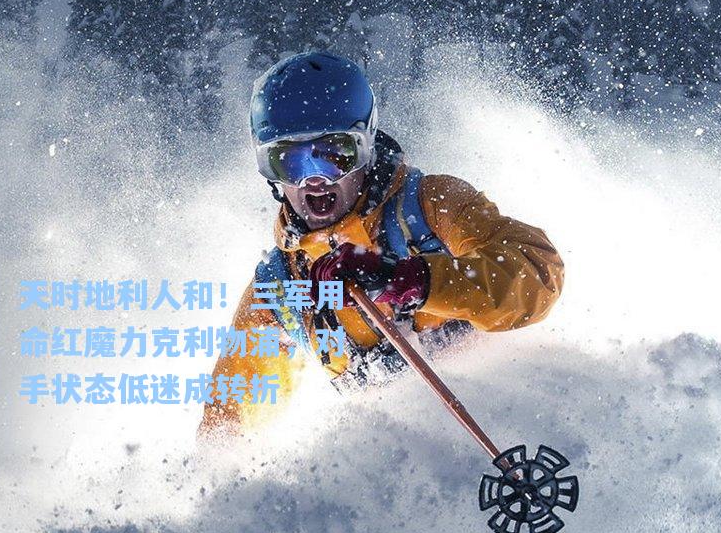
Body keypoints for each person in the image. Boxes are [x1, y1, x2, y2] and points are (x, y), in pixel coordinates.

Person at [198, 51, 564, 437]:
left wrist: (412, 279)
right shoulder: (281, 290)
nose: (313, 181)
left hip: (509, 427)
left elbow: (539, 274)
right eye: (288, 161)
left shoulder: (429, 209)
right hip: (407, 462)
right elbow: (226, 428)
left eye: (334, 154)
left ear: (367, 146)